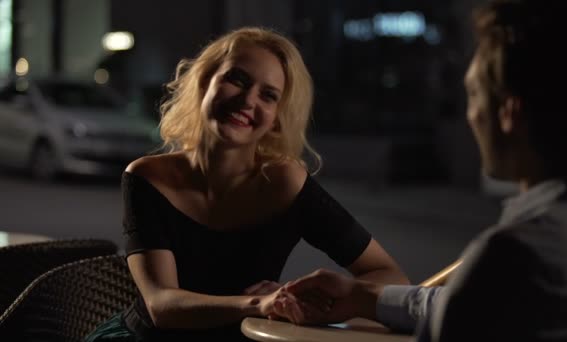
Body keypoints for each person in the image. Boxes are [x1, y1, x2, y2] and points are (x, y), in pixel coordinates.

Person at [276, 1, 567, 340]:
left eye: (475, 96)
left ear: (510, 113)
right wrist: (365, 298)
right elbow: (478, 305)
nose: (472, 116)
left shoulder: (512, 257)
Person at [84, 27, 408, 341]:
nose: (247, 101)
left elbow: (389, 276)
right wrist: (259, 304)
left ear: (277, 117)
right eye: (237, 80)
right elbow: (161, 306)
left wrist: (311, 301)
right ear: (203, 81)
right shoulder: (146, 177)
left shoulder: (284, 183)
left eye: (268, 95)